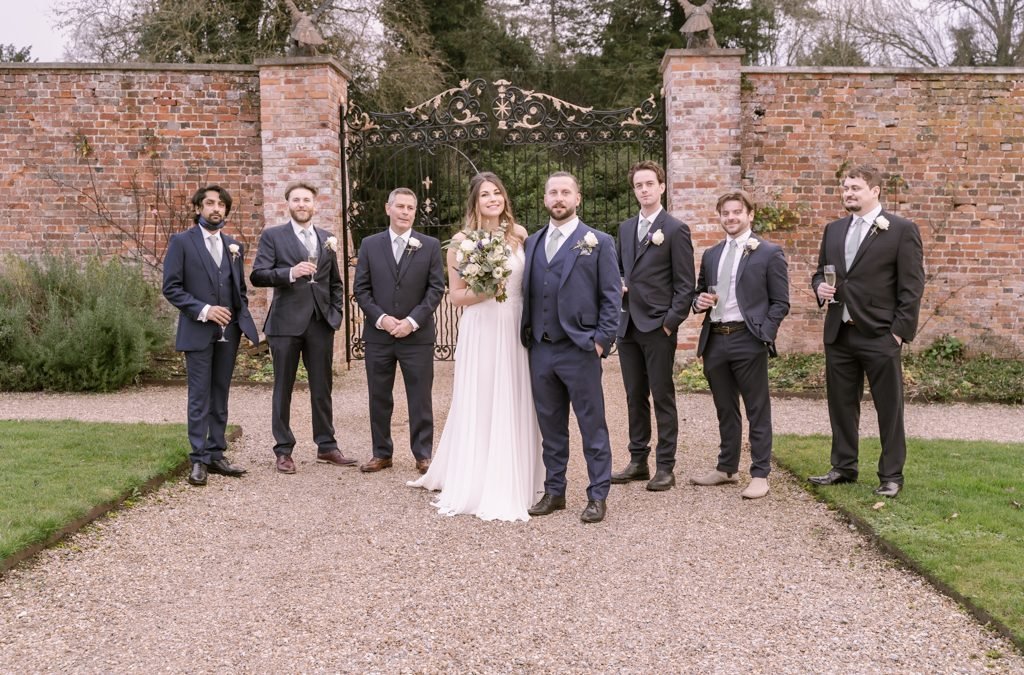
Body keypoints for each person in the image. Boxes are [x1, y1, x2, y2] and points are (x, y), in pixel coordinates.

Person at [408, 173, 544, 520]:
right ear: (475, 202)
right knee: (482, 396)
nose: (493, 198)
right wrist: (489, 288)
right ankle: (479, 478)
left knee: (514, 394)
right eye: (485, 194)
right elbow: (455, 296)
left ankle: (518, 475)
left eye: (497, 192)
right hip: (482, 326)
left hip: (514, 325)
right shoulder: (460, 242)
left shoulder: (520, 235)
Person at [809, 166, 925, 498]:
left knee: (889, 408)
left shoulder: (901, 230)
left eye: (856, 187)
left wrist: (898, 333)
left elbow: (912, 286)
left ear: (875, 191)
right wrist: (819, 287)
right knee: (841, 405)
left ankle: (891, 476)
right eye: (845, 188)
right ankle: (844, 467)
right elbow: (821, 273)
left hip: (879, 335)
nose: (849, 193)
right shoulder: (833, 230)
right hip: (839, 333)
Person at [520, 171, 621, 524]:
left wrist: (600, 342)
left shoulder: (599, 242)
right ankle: (554, 491)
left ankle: (597, 495)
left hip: (580, 349)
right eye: (553, 192)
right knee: (551, 426)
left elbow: (612, 298)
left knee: (592, 425)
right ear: (545, 199)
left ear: (578, 198)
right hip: (541, 350)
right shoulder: (531, 243)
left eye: (566, 192)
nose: (559, 198)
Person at [690, 191, 790, 499]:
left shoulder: (769, 252)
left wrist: (764, 332)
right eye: (725, 213)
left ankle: (760, 473)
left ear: (750, 215)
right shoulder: (711, 254)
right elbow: (698, 293)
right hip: (715, 339)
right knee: (725, 408)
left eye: (737, 212)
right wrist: (698, 302)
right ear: (719, 217)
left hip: (748, 339)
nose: (731, 217)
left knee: (757, 409)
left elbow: (780, 302)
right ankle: (726, 467)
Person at [250, 182, 353, 474]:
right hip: (285, 323)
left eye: (306, 200)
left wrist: (336, 315)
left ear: (314, 205)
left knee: (322, 386)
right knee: (283, 387)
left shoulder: (327, 238)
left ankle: (327, 446)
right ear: (288, 204)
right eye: (296, 200)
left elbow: (335, 282)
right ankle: (283, 450)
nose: (302, 204)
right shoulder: (273, 236)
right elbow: (258, 275)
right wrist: (289, 273)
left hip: (320, 323)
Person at [162, 185, 260, 486]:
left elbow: (238, 290)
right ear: (198, 209)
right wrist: (205, 310)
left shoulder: (234, 246)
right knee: (199, 396)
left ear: (226, 211)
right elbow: (172, 288)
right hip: (198, 330)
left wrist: (240, 318)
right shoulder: (182, 242)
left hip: (228, 332)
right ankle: (199, 459)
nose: (215, 209)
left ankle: (217, 453)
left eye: (220, 205)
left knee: (221, 394)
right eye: (209, 203)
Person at [612, 161, 695, 492]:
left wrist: (669, 324)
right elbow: (619, 269)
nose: (643, 190)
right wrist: (618, 284)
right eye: (638, 185)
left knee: (662, 395)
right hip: (628, 325)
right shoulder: (625, 228)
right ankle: (637, 461)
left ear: (662, 186)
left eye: (649, 184)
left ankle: (665, 466)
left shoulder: (675, 229)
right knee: (634, 396)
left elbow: (685, 285)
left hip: (658, 326)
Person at [354, 188, 445, 475]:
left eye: (410, 208)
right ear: (388, 208)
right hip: (379, 335)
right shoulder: (369, 244)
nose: (406, 212)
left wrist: (411, 321)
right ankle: (382, 453)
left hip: (417, 336)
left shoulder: (429, 245)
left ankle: (423, 454)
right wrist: (382, 319)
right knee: (379, 396)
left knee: (420, 397)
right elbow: (361, 289)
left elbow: (435, 289)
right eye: (401, 207)